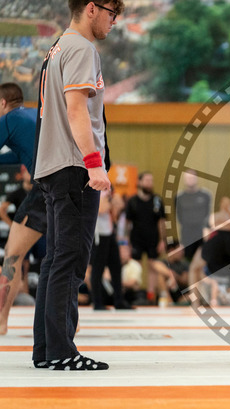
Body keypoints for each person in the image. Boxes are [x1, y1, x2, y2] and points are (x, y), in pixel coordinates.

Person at [31, 0, 124, 371]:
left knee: (56, 259)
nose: (114, 21)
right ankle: (61, 351)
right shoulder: (82, 48)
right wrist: (93, 163)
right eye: (112, 13)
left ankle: (46, 349)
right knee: (69, 260)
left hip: (53, 164)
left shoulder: (57, 47)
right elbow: (76, 110)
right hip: (73, 166)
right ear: (91, 8)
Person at [0, 83, 46, 336]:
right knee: (58, 258)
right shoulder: (32, 115)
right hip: (67, 188)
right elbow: (19, 154)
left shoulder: (9, 119)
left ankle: (1, 321)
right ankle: (69, 322)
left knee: (12, 255)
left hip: (44, 189)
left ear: (3, 103)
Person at [126, 171, 166, 304]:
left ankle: (150, 296)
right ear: (140, 182)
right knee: (136, 266)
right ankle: (137, 295)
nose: (149, 183)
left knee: (152, 266)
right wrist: (126, 241)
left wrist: (162, 240)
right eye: (147, 180)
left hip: (153, 239)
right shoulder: (132, 201)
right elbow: (127, 223)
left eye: (151, 181)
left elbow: (161, 222)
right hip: (136, 238)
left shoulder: (157, 200)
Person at [89, 187, 131, 310]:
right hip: (99, 234)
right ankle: (97, 302)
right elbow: (101, 209)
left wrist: (113, 201)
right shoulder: (95, 190)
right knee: (98, 269)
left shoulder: (107, 193)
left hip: (109, 232)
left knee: (116, 267)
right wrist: (111, 201)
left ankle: (119, 300)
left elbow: (119, 207)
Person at [176, 169, 211, 260]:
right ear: (184, 179)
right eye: (188, 178)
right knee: (188, 259)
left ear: (196, 178)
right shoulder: (179, 197)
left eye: (192, 178)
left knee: (203, 258)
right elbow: (179, 216)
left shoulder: (205, 195)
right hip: (187, 234)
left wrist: (207, 229)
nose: (190, 180)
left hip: (202, 233)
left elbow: (208, 213)